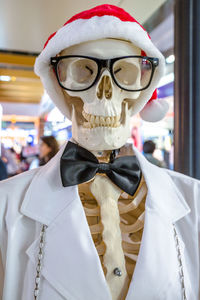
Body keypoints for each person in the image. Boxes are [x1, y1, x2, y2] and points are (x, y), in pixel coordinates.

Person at [0, 5, 200, 300]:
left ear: (143, 90)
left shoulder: (194, 200)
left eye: (124, 74)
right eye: (83, 72)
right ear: (60, 86)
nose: (105, 91)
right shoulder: (6, 205)